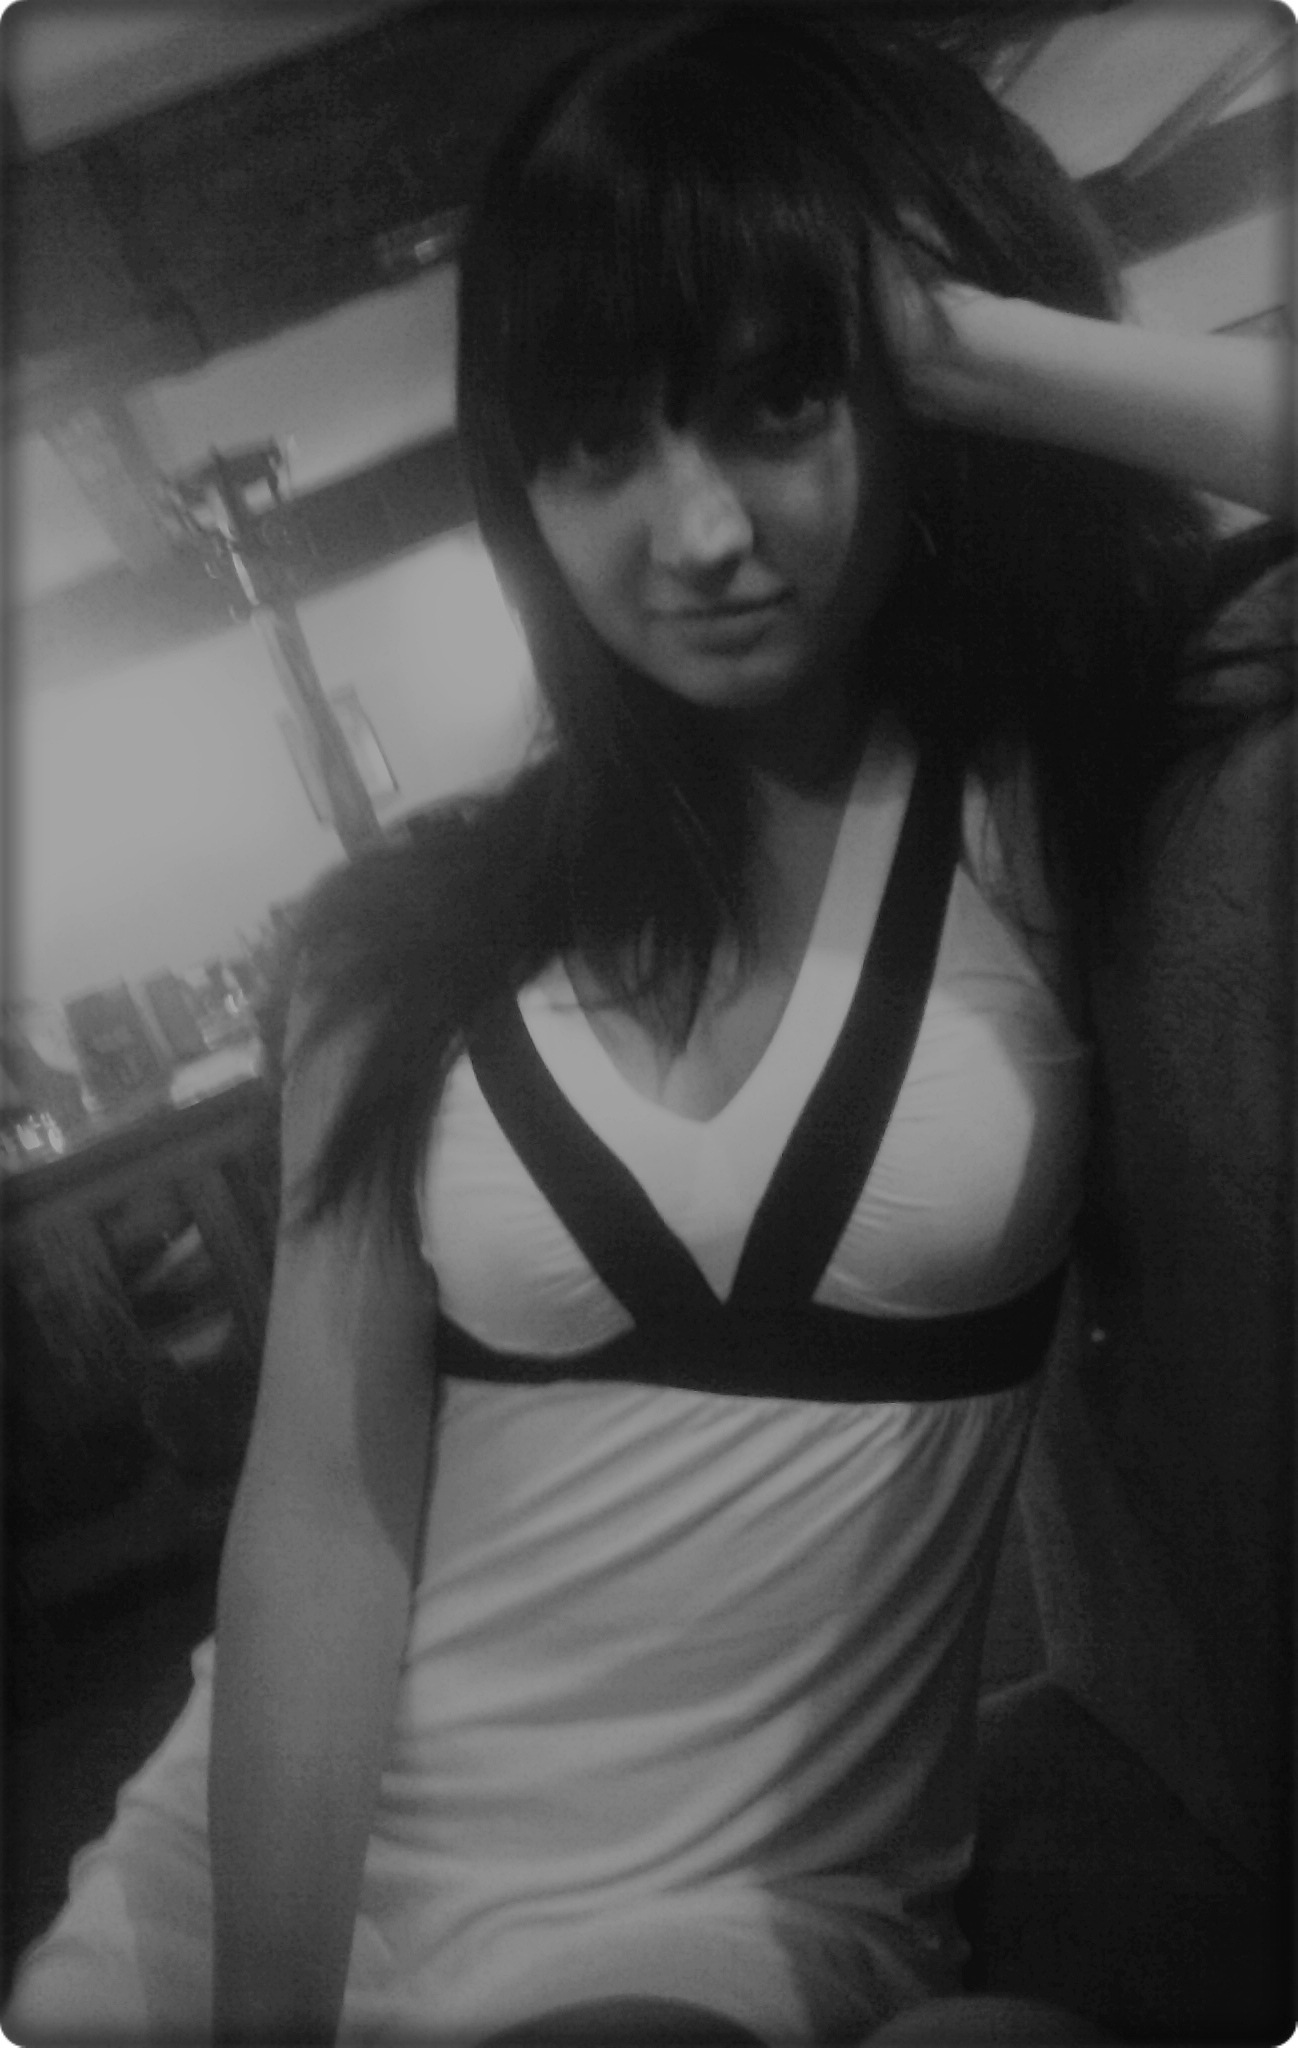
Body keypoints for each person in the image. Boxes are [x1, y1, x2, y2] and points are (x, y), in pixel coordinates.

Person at [7, 12, 1290, 2046]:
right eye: (599, 444)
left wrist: (968, 343)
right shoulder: (393, 940)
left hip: (717, 1899)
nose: (696, 535)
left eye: (777, 404)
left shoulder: (1025, 802)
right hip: (266, 1845)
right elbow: (325, 1511)